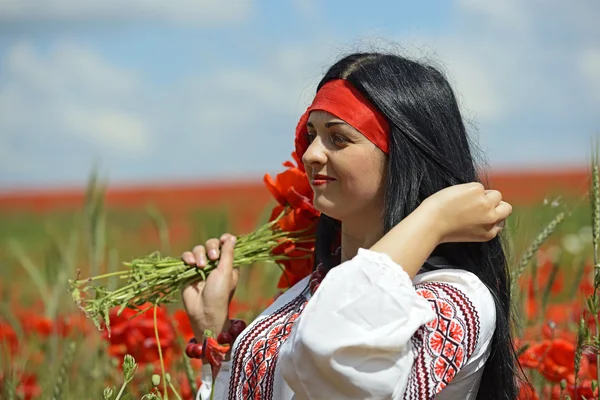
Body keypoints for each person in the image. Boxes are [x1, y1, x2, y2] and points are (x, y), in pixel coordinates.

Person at [181, 52, 518, 400]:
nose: (310, 154)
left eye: (338, 138)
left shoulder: (453, 302)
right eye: (311, 134)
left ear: (403, 155)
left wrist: (433, 218)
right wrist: (213, 328)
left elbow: (333, 357)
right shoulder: (311, 292)